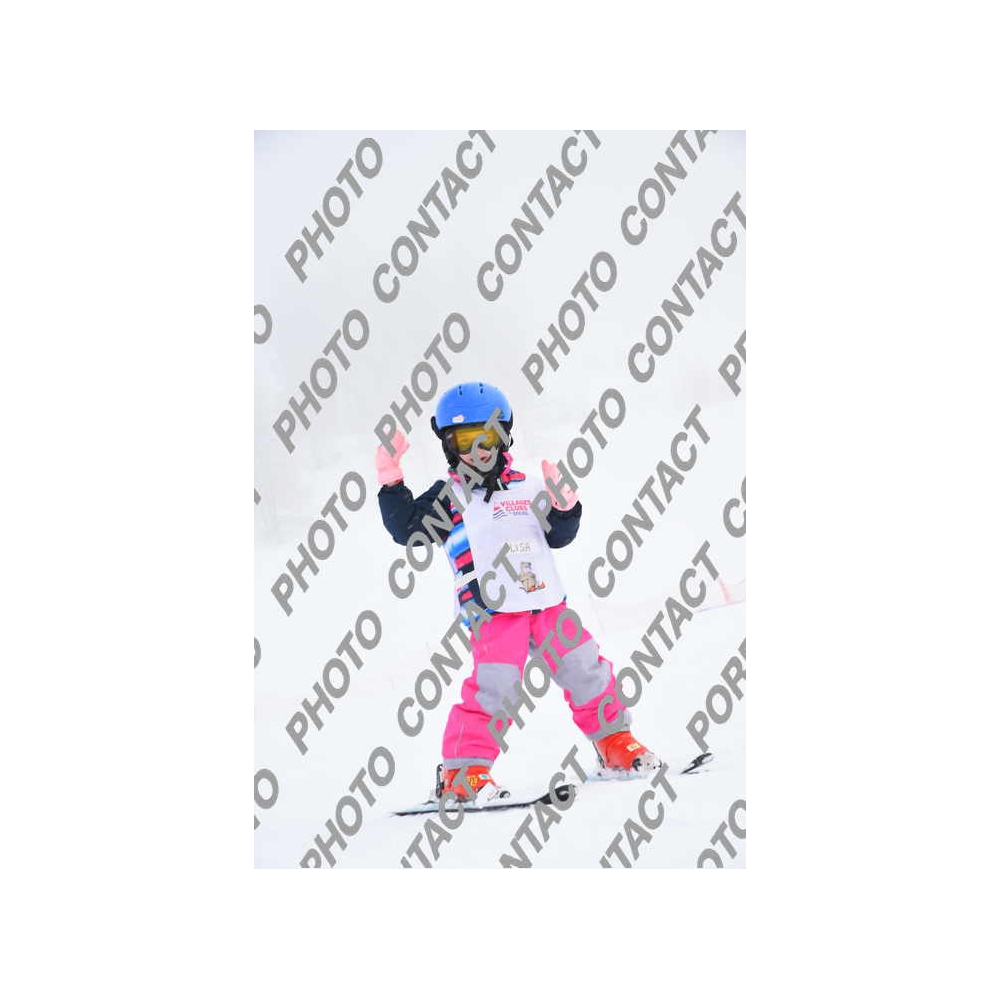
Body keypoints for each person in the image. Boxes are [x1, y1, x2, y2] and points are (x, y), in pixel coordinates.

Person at [376, 381, 659, 804]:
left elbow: (559, 535)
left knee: (585, 668)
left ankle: (614, 741)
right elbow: (408, 530)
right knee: (496, 687)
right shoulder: (448, 498)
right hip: (491, 612)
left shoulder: (527, 487)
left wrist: (565, 508)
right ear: (449, 446)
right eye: (466, 441)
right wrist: (391, 483)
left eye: (487, 437)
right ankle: (463, 772)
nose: (479, 451)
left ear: (504, 435)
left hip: (547, 604)